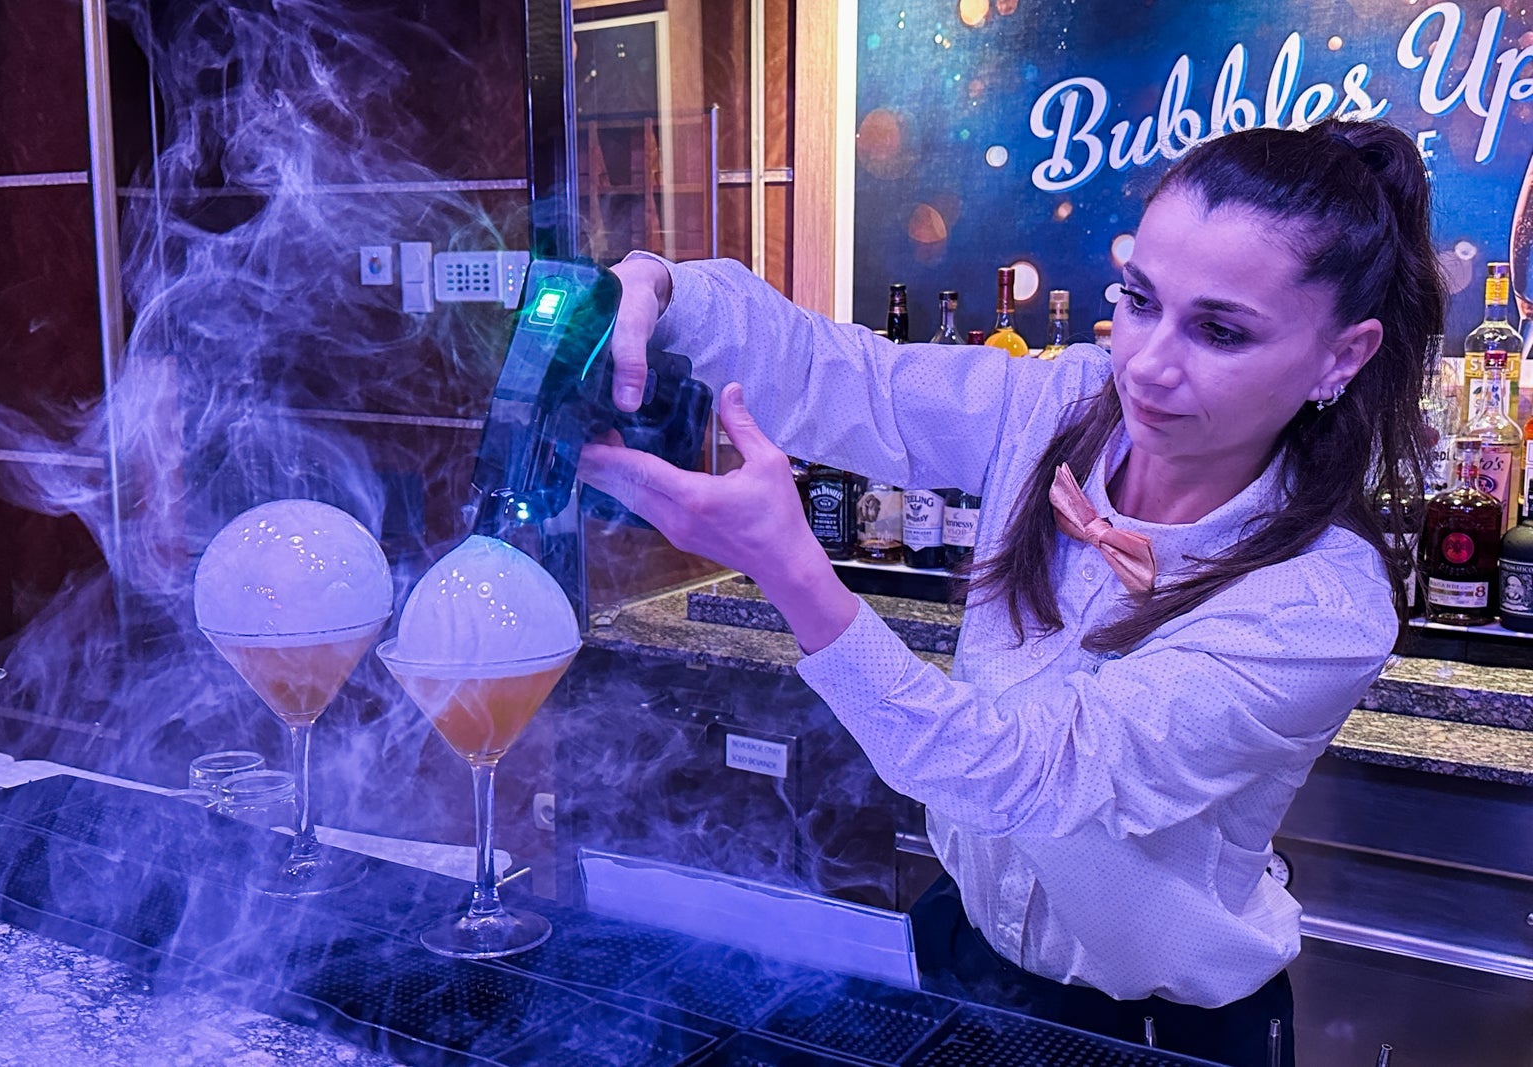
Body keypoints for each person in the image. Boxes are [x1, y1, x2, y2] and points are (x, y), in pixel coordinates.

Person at [578, 118, 1443, 1067]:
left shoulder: (1322, 599)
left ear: (1343, 356)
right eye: (1140, 301)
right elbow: (851, 378)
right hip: (963, 952)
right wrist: (664, 289)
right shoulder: (1062, 405)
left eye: (1221, 331)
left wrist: (792, 572)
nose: (1148, 363)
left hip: (1156, 1032)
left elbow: (1030, 777)